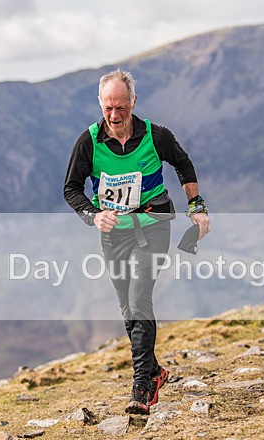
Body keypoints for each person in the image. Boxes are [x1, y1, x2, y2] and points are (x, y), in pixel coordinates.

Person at [63, 69, 211, 415]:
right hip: (113, 233)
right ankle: (156, 372)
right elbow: (71, 188)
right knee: (128, 311)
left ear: (133, 102)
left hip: (154, 224)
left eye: (122, 108)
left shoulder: (156, 136)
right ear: (101, 104)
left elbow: (183, 164)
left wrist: (196, 207)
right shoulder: (88, 142)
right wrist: (94, 215)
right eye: (108, 108)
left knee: (139, 298)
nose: (114, 116)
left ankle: (141, 386)